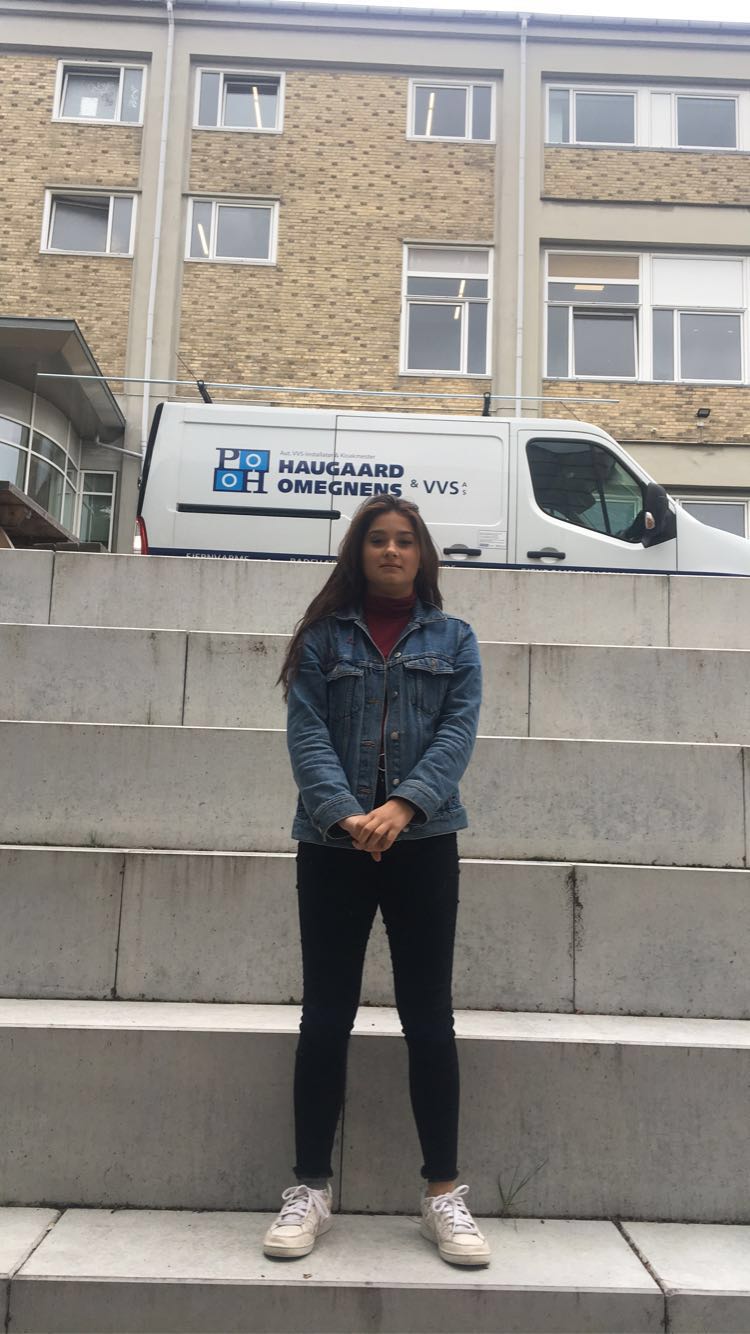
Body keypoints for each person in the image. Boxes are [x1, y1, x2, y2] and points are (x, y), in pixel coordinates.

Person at [262, 494, 490, 1268]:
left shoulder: (455, 639)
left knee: (429, 1020)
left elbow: (457, 732)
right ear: (358, 553)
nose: (392, 551)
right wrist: (346, 815)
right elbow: (306, 733)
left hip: (424, 841)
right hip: (334, 844)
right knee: (325, 1017)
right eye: (378, 540)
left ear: (423, 555)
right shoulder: (323, 639)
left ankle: (442, 1194)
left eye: (405, 541)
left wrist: (402, 807)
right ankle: (309, 1190)